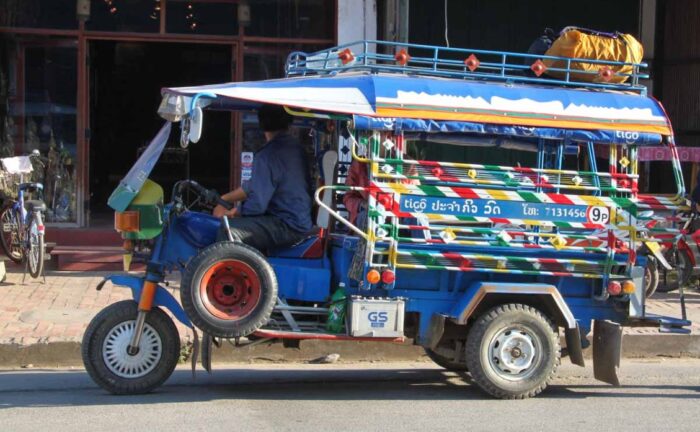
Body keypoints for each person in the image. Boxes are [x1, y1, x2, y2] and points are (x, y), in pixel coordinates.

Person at [213, 104, 313, 252]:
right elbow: (254, 185)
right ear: (288, 122)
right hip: (299, 222)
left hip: (286, 226)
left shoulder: (267, 156)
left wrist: (234, 213)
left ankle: (224, 274)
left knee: (227, 230)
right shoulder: (296, 149)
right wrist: (225, 198)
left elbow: (256, 205)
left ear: (261, 124)